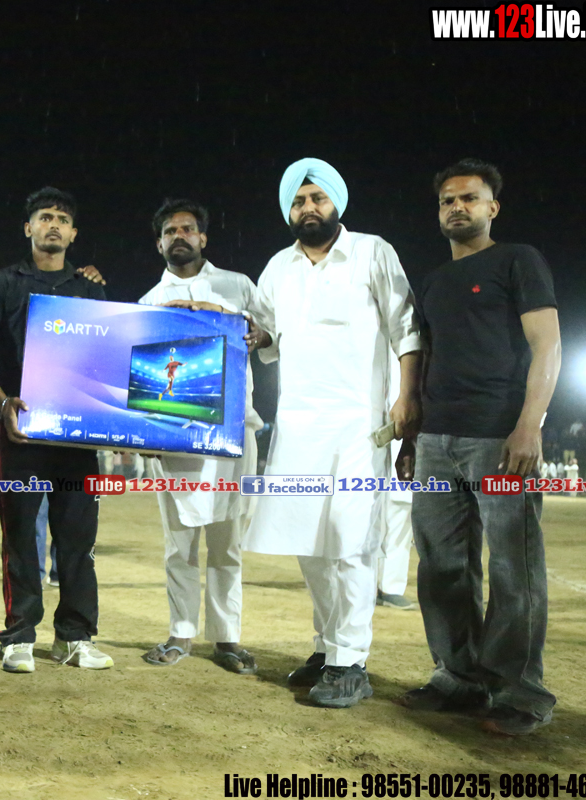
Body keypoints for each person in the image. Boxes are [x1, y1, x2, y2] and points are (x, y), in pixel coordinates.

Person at [243, 158, 421, 709]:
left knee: (350, 542)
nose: (308, 208)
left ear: (336, 202)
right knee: (310, 544)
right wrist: (246, 334)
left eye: (317, 197)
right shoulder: (278, 268)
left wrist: (407, 397)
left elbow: (407, 328)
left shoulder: (372, 252)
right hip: (298, 426)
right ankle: (326, 647)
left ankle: (351, 661)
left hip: (358, 427)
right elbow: (265, 333)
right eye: (298, 201)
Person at [402, 158, 561, 737]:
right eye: (447, 200)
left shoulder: (519, 259)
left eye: (468, 198)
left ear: (492, 207)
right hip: (436, 439)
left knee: (514, 568)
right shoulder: (433, 282)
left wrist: (529, 424)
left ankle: (520, 692)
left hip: (498, 435)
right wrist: (413, 434)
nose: (456, 207)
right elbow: (425, 358)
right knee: (442, 567)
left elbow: (547, 345)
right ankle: (458, 677)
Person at [0, 187, 113, 673]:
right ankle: (19, 635)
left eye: (62, 219)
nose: (54, 225)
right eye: (45, 217)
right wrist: (3, 401)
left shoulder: (90, 289)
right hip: (21, 433)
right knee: (21, 536)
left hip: (77, 438)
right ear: (28, 228)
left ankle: (74, 636)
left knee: (77, 538)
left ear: (73, 233)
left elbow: (108, 360)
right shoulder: (4, 284)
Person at [136, 198, 263, 674]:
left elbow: (269, 334)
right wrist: (144, 435)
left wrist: (236, 322)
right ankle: (181, 633)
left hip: (234, 433)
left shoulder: (238, 286)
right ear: (159, 243)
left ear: (203, 238)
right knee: (179, 542)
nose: (180, 236)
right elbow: (141, 378)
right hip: (174, 440)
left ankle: (227, 638)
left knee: (228, 541)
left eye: (188, 229)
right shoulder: (148, 303)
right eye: (170, 231)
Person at [377, 354, 417, 610]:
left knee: (401, 509)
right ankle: (363, 582)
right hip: (366, 432)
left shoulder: (414, 346)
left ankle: (390, 586)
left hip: (404, 433)